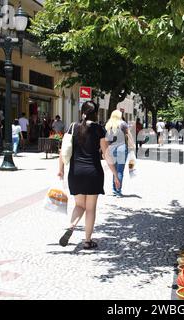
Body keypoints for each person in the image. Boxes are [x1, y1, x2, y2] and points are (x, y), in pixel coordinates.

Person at [58, 101, 120, 249]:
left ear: (82, 112)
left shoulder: (73, 127)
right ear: (96, 113)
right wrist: (115, 174)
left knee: (79, 205)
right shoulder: (99, 129)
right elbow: (106, 154)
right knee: (90, 208)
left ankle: (71, 226)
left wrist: (60, 169)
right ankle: (87, 241)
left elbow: (63, 149)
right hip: (93, 173)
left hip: (76, 172)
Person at [106, 109, 133, 197]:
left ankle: (114, 189)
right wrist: (132, 145)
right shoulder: (123, 123)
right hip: (121, 147)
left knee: (114, 170)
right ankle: (118, 190)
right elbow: (129, 134)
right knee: (120, 170)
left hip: (111, 148)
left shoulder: (108, 124)